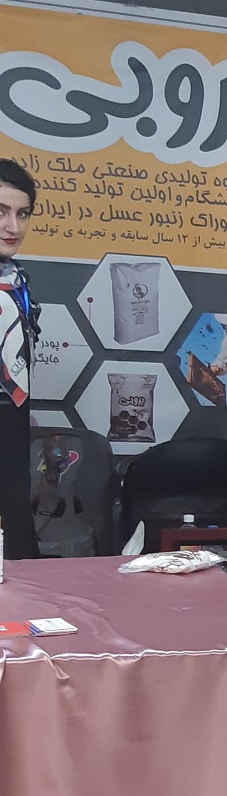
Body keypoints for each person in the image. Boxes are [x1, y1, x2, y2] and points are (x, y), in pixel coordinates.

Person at [0, 158, 41, 561]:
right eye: (0, 212)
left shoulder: (16, 281)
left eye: (22, 213)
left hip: (11, 440)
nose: (13, 226)